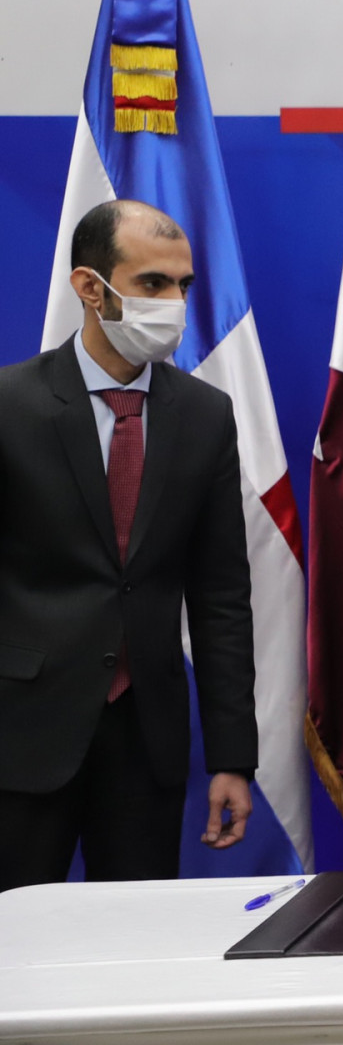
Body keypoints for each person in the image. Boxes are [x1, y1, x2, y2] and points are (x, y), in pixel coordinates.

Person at [0, 201, 255, 891]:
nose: (174, 304)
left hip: (146, 739)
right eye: (152, 284)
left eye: (183, 285)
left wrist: (233, 757)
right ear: (91, 287)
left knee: (136, 937)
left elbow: (222, 595)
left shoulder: (204, 416)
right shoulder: (10, 407)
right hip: (22, 732)